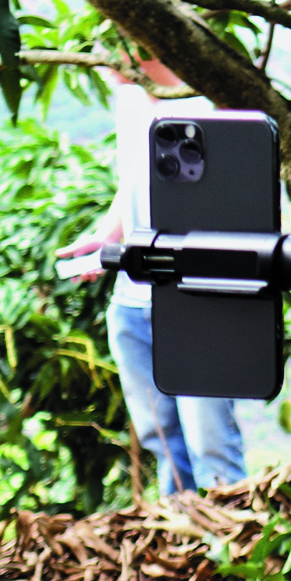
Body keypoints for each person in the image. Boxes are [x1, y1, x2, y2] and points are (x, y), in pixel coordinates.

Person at [56, 59, 246, 497]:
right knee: (163, 439)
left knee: (211, 445)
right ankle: (181, 540)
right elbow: (134, 180)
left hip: (196, 297)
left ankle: (234, 547)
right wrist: (104, 239)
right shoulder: (130, 101)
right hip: (133, 294)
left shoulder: (210, 105)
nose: (98, 59)